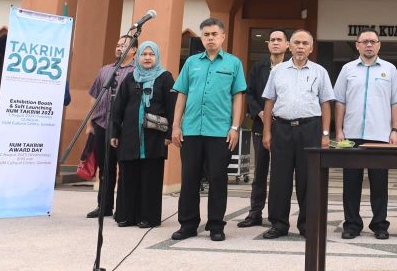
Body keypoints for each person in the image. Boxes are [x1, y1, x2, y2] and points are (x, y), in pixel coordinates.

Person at [171, 18, 247, 242]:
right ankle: (188, 224)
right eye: (206, 35)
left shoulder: (233, 63)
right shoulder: (191, 62)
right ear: (201, 38)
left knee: (217, 179)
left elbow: (238, 96)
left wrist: (235, 127)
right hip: (191, 129)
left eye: (215, 34)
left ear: (223, 37)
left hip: (220, 132)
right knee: (190, 178)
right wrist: (176, 125)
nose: (210, 38)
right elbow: (182, 93)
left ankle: (216, 225)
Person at [260, 29, 334, 238]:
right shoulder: (278, 71)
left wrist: (326, 134)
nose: (300, 47)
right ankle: (278, 224)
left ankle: (307, 224)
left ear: (311, 48)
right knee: (279, 179)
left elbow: (326, 104)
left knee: (308, 179)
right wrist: (267, 131)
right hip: (281, 128)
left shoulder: (320, 72)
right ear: (289, 46)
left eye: (305, 43)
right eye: (296, 43)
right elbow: (269, 102)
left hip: (310, 129)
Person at [334, 29, 397, 240]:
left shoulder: (389, 69)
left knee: (379, 183)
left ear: (379, 45)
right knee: (351, 182)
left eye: (372, 42)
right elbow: (340, 102)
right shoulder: (347, 69)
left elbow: (396, 102)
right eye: (364, 41)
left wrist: (395, 130)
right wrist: (338, 130)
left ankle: (380, 224)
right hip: (351, 135)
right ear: (357, 45)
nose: (368, 45)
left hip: (380, 136)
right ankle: (352, 224)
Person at [110, 41, 174, 228]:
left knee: (150, 178)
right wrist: (114, 131)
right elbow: (118, 108)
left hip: (154, 137)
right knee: (128, 176)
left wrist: (170, 133)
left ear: (157, 57)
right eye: (144, 54)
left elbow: (172, 107)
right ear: (138, 57)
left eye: (151, 54)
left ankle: (148, 217)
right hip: (129, 136)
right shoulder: (131, 78)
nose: (147, 57)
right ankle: (126, 215)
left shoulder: (165, 77)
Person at [238, 29, 288, 228]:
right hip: (260, 125)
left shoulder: (292, 68)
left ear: (287, 45)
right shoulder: (259, 68)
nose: (275, 43)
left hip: (284, 128)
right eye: (272, 40)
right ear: (268, 44)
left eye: (279, 40)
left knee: (280, 173)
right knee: (259, 171)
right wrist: (260, 112)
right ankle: (255, 212)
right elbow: (249, 94)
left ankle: (277, 215)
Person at [85, 35, 137, 219]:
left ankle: (123, 208)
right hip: (102, 124)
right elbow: (94, 95)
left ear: (133, 50)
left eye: (124, 45)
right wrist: (90, 122)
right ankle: (104, 206)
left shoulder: (137, 71)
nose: (119, 48)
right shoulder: (105, 71)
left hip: (125, 127)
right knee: (105, 167)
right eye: (117, 44)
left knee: (125, 168)